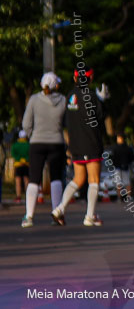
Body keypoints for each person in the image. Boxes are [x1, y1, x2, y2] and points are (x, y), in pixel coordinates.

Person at [52, 68, 107, 226]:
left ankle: (60, 208)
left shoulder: (69, 96)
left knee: (78, 178)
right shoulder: (91, 96)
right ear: (90, 79)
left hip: (75, 144)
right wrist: (102, 101)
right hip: (91, 143)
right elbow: (100, 117)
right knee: (94, 179)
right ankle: (90, 216)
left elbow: (64, 121)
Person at [21, 73, 68, 228]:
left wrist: (32, 135)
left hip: (37, 142)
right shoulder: (62, 100)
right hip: (57, 143)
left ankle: (29, 216)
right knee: (56, 178)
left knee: (34, 178)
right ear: (56, 86)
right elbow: (66, 123)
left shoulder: (34, 99)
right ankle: (56, 213)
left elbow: (26, 123)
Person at [109, 134, 134, 201]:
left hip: (117, 167)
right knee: (127, 183)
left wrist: (113, 164)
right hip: (125, 167)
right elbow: (132, 158)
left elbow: (112, 158)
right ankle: (128, 197)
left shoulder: (115, 148)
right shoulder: (128, 148)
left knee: (118, 183)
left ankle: (119, 198)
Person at [12, 130, 30, 203]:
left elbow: (13, 154)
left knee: (18, 181)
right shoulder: (28, 145)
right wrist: (25, 160)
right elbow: (30, 154)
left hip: (18, 164)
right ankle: (27, 196)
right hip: (26, 164)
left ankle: (18, 196)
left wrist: (19, 159)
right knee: (26, 181)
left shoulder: (15, 145)